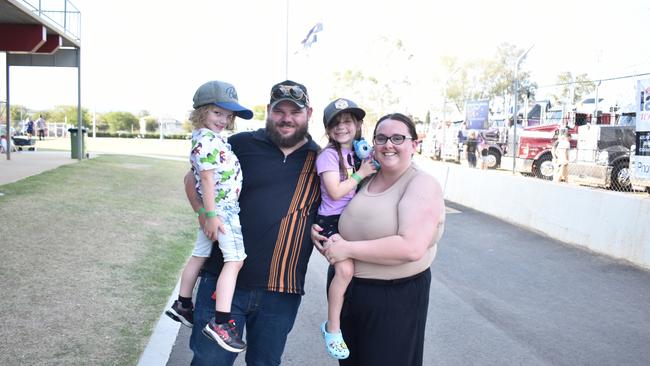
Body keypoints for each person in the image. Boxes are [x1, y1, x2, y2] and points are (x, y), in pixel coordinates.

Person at [184, 80, 321, 366]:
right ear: (269, 111)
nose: (286, 118)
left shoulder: (320, 160)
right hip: (221, 282)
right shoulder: (239, 145)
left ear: (308, 113)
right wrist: (203, 213)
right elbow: (192, 178)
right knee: (209, 362)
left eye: (294, 112)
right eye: (279, 110)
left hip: (281, 291)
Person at [312, 113, 446, 366]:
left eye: (398, 138)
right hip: (351, 293)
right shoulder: (366, 177)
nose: (388, 144)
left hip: (394, 299)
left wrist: (347, 249)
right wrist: (320, 234)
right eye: (381, 138)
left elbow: (411, 247)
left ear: (414, 145)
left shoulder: (421, 184)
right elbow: (335, 207)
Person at [166, 80, 253, 353]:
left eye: (228, 116)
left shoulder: (209, 138)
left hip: (217, 210)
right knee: (235, 260)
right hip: (224, 211)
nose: (223, 120)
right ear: (202, 111)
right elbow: (204, 177)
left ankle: (183, 303)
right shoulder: (206, 140)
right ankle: (222, 322)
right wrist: (211, 214)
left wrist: (206, 212)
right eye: (217, 113)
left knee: (200, 255)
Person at [316, 98, 378, 360]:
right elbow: (335, 190)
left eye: (348, 122)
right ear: (329, 130)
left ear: (358, 125)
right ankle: (332, 328)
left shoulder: (360, 151)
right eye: (336, 123)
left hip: (353, 219)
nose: (342, 127)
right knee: (344, 269)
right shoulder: (328, 155)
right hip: (331, 221)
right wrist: (361, 173)